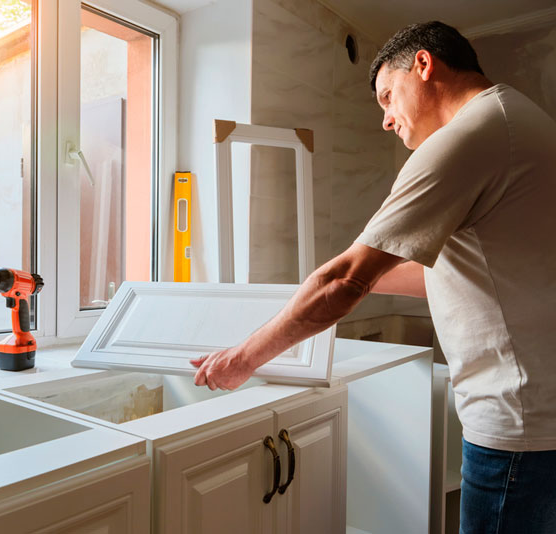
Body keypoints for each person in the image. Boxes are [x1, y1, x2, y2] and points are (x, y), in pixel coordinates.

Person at [190, 20, 556, 533]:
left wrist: (242, 358)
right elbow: (469, 274)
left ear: (424, 65)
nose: (386, 120)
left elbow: (342, 281)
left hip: (515, 426)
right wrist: (364, 278)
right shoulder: (518, 118)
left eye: (388, 96)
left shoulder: (468, 137)